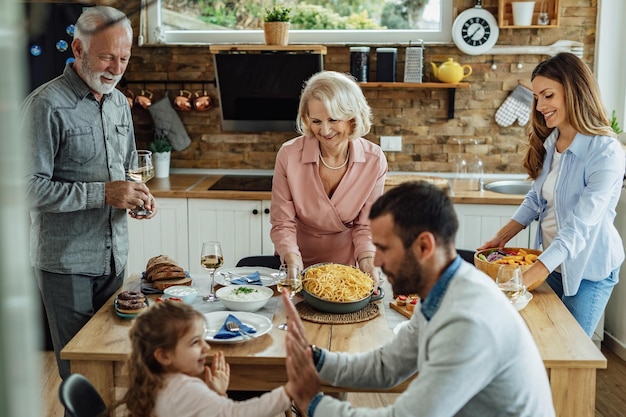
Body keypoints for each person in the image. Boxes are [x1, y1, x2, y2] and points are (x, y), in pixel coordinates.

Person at [282, 181, 556, 417]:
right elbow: (385, 366)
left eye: (384, 248)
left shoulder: (468, 320)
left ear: (424, 246)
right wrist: (314, 358)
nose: (376, 261)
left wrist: (314, 405)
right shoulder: (442, 291)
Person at [23, 5, 157, 380]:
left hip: (115, 262)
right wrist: (104, 194)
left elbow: (125, 171)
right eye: (106, 57)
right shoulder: (44, 106)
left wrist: (138, 196)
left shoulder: (118, 103)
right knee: (83, 379)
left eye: (124, 58)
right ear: (77, 49)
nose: (116, 68)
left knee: (117, 373)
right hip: (66, 267)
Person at [478, 52, 625, 337]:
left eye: (548, 95)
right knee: (540, 343)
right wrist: (501, 238)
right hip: (549, 264)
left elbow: (579, 226)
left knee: (570, 352)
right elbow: (536, 199)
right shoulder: (552, 141)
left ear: (573, 91)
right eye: (537, 97)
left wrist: (532, 274)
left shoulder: (605, 152)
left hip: (587, 273)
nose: (540, 106)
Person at [270, 70, 388, 290]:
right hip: (296, 261)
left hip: (348, 268)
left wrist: (368, 264)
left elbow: (365, 227)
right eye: (316, 121)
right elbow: (282, 223)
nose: (324, 130)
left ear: (353, 117)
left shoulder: (374, 160)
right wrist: (293, 265)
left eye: (333, 120)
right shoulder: (289, 155)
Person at [116, 301, 293, 417]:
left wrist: (218, 396)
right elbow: (235, 413)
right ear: (164, 355)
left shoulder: (153, 382)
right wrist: (289, 392)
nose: (206, 347)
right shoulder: (186, 389)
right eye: (195, 342)